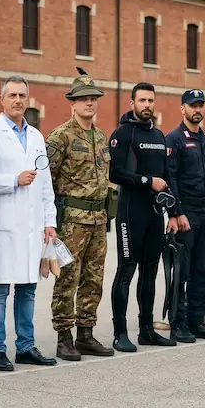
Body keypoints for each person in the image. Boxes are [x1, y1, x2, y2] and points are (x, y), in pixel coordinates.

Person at [0, 76, 59, 371]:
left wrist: (49, 222)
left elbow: (46, 185)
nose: (17, 100)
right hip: (2, 223)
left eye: (22, 95)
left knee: (28, 288)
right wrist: (13, 180)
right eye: (12, 95)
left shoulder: (37, 137)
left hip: (32, 225)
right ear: (2, 100)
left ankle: (25, 346)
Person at [46, 70, 116, 360]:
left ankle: (86, 334)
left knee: (94, 278)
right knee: (67, 278)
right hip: (71, 220)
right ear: (72, 103)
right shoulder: (60, 136)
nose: (89, 103)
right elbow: (46, 180)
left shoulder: (100, 137)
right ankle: (64, 337)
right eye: (83, 99)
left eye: (93, 99)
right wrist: (48, 221)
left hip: (99, 219)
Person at [109, 82, 178, 351]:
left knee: (150, 272)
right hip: (130, 212)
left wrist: (174, 211)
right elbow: (115, 173)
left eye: (151, 100)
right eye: (142, 100)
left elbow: (168, 176)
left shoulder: (160, 136)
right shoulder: (123, 134)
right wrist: (148, 180)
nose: (147, 105)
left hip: (154, 214)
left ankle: (146, 330)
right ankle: (119, 332)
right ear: (132, 103)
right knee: (127, 271)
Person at [164, 89, 205, 341]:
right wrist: (176, 212)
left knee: (201, 270)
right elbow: (171, 178)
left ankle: (196, 320)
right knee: (182, 271)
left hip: (204, 212)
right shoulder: (175, 139)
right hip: (186, 213)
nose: (197, 110)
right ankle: (178, 323)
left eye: (200, 105)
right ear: (183, 109)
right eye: (193, 105)